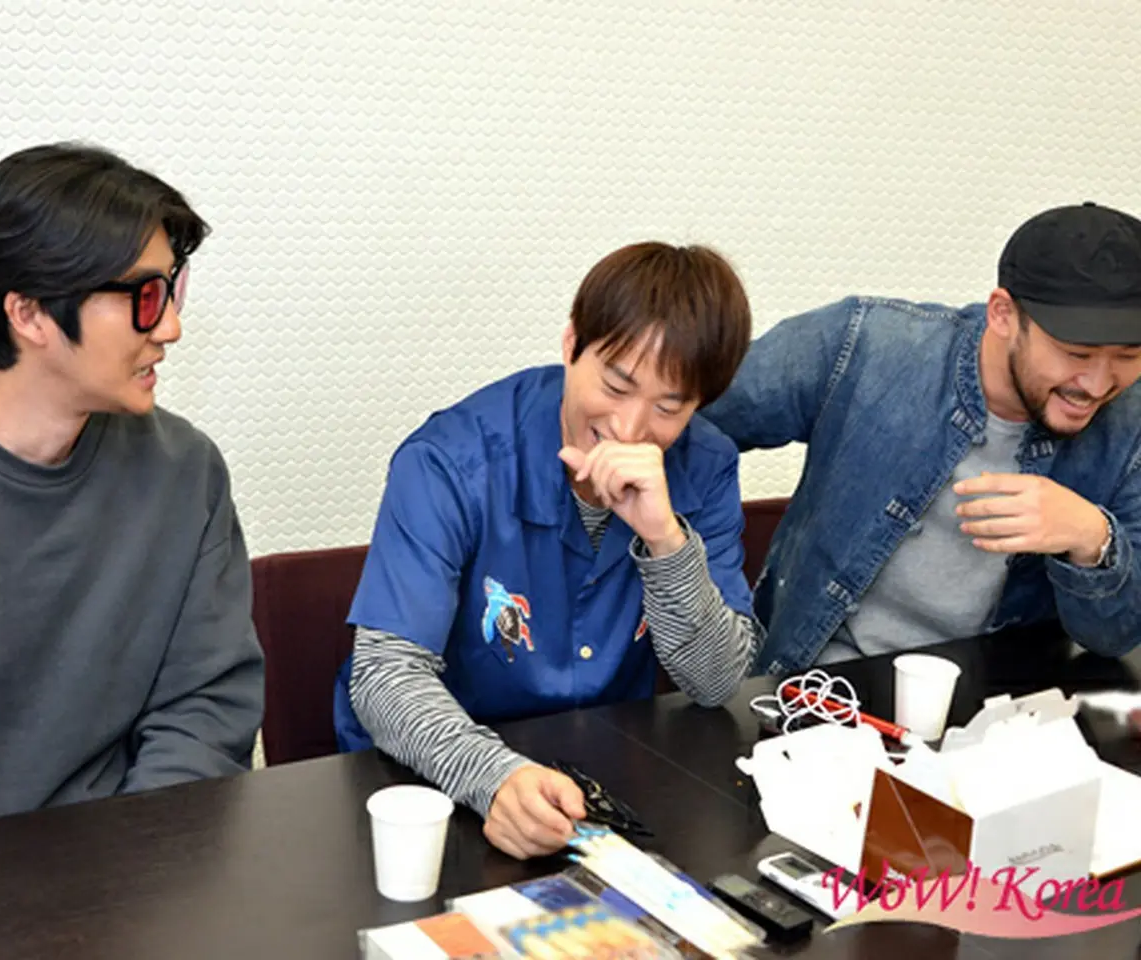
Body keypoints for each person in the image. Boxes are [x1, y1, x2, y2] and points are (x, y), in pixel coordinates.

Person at [0, 143, 265, 839]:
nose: (171, 327)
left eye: (171, 289)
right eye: (144, 297)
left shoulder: (186, 471)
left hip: (133, 865)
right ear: (30, 314)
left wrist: (127, 874)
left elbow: (205, 712)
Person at [333, 242, 761, 859]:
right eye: (615, 385)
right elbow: (384, 676)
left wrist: (665, 539)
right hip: (432, 788)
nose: (629, 429)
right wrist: (494, 778)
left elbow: (717, 681)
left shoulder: (706, 463)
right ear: (571, 344)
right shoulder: (451, 460)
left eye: (668, 408)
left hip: (605, 789)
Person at [700, 202, 1141, 675]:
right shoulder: (865, 345)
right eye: (1076, 354)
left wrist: (1092, 537)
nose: (1098, 384)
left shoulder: (1130, 427)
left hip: (996, 704)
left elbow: (1115, 637)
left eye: (1129, 355)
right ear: (1003, 314)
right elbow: (688, 415)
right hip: (818, 688)